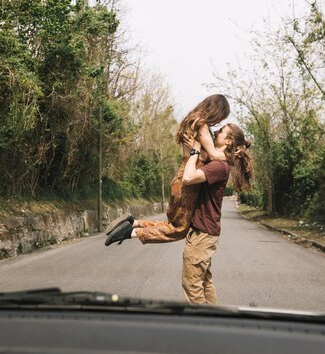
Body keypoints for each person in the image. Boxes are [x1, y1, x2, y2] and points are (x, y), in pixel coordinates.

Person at [104, 94, 232, 247]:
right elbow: (213, 154)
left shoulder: (191, 121)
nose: (218, 122)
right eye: (220, 117)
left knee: (171, 223)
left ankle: (134, 223)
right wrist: (232, 157)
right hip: (189, 184)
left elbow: (203, 153)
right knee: (178, 229)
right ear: (215, 111)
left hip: (180, 177)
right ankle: (129, 233)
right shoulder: (202, 126)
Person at [180, 123, 253, 304]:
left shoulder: (219, 165)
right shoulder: (219, 161)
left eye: (221, 131)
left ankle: (200, 327)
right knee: (204, 282)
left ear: (228, 141)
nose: (217, 131)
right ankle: (213, 320)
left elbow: (188, 178)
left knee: (192, 284)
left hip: (203, 234)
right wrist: (195, 149)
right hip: (206, 232)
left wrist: (195, 153)